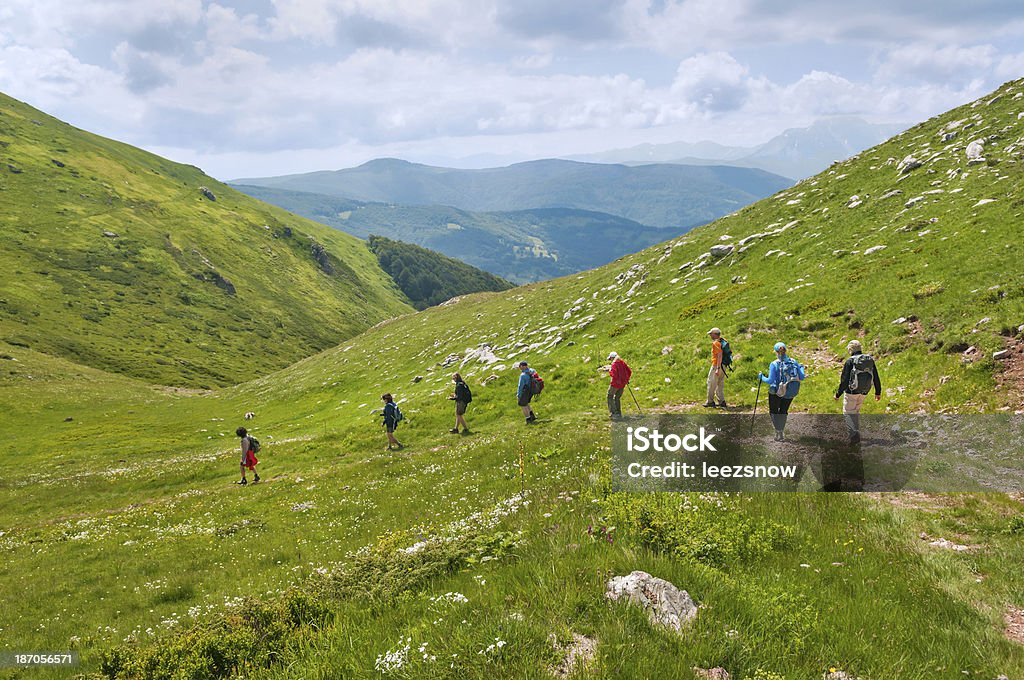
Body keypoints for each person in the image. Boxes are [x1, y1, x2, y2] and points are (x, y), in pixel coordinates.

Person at [834, 339, 881, 444]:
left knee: (848, 413)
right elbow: (876, 377)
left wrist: (838, 393)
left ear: (850, 350)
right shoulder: (869, 360)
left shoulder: (850, 361)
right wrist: (878, 392)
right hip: (864, 391)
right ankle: (856, 433)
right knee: (855, 412)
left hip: (851, 391)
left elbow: (844, 380)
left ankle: (853, 436)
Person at [758, 342, 806, 441]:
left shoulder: (774, 364)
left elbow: (770, 380)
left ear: (776, 352)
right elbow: (801, 377)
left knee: (774, 411)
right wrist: (801, 368)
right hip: (790, 391)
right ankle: (781, 432)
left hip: (776, 391)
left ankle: (778, 431)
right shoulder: (793, 361)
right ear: (786, 351)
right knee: (783, 411)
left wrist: (761, 377)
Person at [705, 327, 727, 408]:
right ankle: (722, 401)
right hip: (724, 365)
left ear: (715, 334)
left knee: (711, 383)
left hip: (716, 366)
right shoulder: (723, 341)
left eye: (711, 334)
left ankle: (710, 401)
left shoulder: (716, 343)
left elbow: (719, 355)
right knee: (720, 384)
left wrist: (717, 368)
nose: (710, 335)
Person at [606, 351, 632, 419]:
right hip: (623, 384)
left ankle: (614, 413)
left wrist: (610, 371)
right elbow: (629, 371)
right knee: (617, 397)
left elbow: (613, 374)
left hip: (615, 384)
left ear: (612, 358)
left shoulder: (614, 364)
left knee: (610, 396)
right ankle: (618, 412)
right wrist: (626, 379)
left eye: (610, 359)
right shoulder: (622, 362)